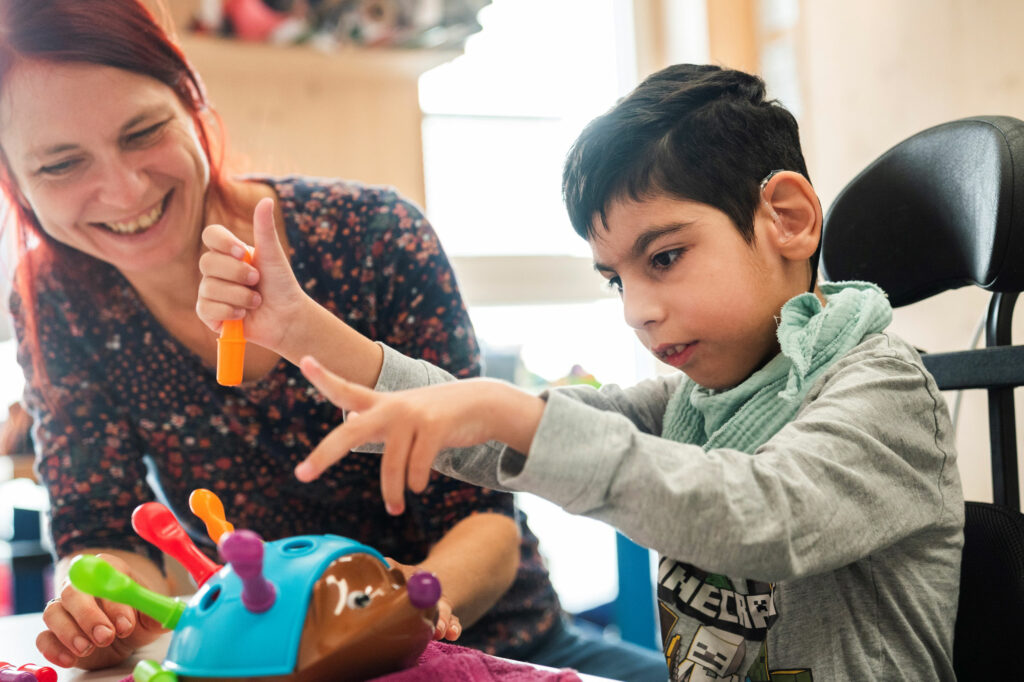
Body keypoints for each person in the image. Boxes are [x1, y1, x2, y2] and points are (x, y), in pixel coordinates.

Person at [199, 64, 965, 681]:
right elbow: (493, 436)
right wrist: (302, 331)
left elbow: (766, 518)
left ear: (788, 219)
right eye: (616, 279)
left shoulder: (888, 390)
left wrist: (516, 415)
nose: (637, 310)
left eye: (664, 257)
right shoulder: (695, 403)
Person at [0, 1, 667, 679]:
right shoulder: (58, 300)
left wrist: (394, 613)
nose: (122, 189)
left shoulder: (370, 236)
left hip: (503, 651)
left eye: (143, 132)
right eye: (60, 166)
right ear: (13, 179)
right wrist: (104, 603)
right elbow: (101, 529)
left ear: (190, 99)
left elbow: (486, 522)